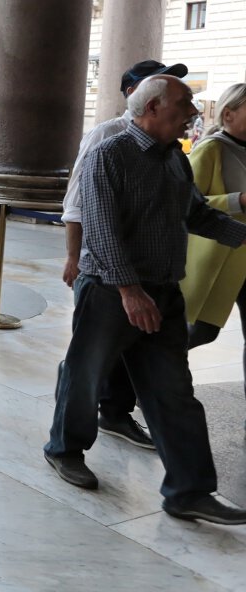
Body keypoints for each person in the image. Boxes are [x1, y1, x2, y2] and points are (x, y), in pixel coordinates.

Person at [45, 75, 246, 525]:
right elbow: (101, 230)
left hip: (164, 291)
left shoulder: (176, 159)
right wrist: (130, 292)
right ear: (152, 108)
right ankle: (64, 449)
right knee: (85, 374)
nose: (193, 111)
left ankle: (189, 491)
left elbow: (196, 214)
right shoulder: (108, 154)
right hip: (110, 292)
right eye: (184, 103)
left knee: (174, 392)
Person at [60, 59, 188, 449]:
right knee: (89, 362)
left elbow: (187, 209)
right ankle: (68, 439)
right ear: (138, 95)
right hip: (104, 271)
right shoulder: (107, 137)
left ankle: (116, 414)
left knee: (125, 358)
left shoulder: (172, 150)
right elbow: (80, 201)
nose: (188, 109)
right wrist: (73, 257)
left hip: (154, 276)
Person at [182, 83, 246, 413]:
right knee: (199, 332)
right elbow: (187, 203)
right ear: (228, 113)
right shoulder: (210, 149)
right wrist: (239, 200)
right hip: (217, 259)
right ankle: (133, 381)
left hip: (243, 261)